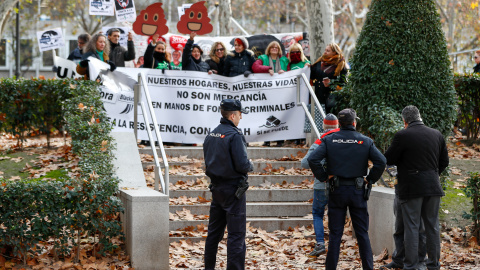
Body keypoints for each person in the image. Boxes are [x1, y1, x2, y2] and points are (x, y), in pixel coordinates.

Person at [308, 108, 386, 270]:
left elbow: (313, 159)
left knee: (335, 235)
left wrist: (323, 176)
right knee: (362, 234)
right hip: (358, 191)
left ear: (339, 124)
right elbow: (381, 161)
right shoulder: (364, 141)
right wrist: (370, 179)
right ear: (354, 123)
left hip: (337, 191)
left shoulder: (330, 140)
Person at [383, 105, 449, 270]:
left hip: (411, 187)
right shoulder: (437, 134)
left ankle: (411, 265)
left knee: (412, 226)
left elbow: (389, 158)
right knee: (432, 226)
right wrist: (432, 174)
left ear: (405, 121)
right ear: (420, 116)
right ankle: (433, 264)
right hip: (433, 186)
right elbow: (444, 161)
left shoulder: (402, 135)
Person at [203, 99, 254, 270]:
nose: (241, 118)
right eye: (240, 114)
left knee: (213, 235)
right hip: (233, 191)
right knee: (236, 236)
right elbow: (242, 165)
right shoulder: (234, 135)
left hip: (216, 189)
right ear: (233, 115)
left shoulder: (211, 135)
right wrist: (250, 165)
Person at [301, 114, 339, 257]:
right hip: (339, 184)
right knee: (335, 214)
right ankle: (335, 246)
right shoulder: (341, 141)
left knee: (318, 214)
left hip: (321, 184)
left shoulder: (319, 142)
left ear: (323, 126)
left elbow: (305, 163)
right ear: (337, 126)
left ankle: (320, 244)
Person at [252, 40, 289, 147]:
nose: (274, 49)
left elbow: (290, 72)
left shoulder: (284, 60)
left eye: (276, 47)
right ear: (269, 49)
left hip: (281, 93)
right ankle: (267, 140)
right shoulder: (263, 58)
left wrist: (285, 73)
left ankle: (279, 140)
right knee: (267, 116)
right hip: (266, 93)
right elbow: (255, 67)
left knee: (279, 114)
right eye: (272, 47)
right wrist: (267, 69)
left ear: (279, 50)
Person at [310, 43, 348, 114]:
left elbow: (344, 84)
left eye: (328, 51)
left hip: (332, 100)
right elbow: (312, 75)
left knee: (331, 120)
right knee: (319, 121)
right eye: (325, 50)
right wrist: (308, 67)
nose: (325, 52)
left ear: (334, 53)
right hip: (318, 97)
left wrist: (331, 83)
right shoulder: (320, 62)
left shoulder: (341, 65)